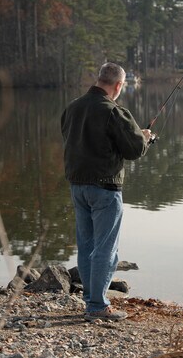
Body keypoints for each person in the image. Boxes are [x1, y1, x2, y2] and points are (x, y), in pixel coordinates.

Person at [61, 62, 153, 321]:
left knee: (87, 246)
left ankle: (91, 301)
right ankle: (97, 306)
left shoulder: (72, 107)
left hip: (77, 186)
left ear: (99, 79)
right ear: (118, 85)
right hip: (105, 188)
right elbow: (134, 150)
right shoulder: (114, 112)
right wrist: (145, 137)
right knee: (105, 249)